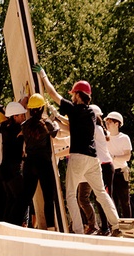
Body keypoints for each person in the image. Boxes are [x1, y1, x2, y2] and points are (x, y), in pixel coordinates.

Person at [33, 64, 121, 236]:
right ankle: (117, 224)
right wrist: (56, 115)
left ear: (78, 95)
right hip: (93, 160)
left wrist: (43, 75)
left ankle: (79, 231)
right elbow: (70, 128)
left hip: (79, 157)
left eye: (73, 94)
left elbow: (52, 92)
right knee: (101, 194)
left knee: (71, 195)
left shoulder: (74, 109)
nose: (71, 96)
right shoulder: (90, 114)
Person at [21, 93, 59, 231]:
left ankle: (19, 225)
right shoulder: (46, 123)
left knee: (25, 197)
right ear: (42, 108)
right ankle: (50, 228)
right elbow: (55, 132)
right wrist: (54, 119)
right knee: (48, 197)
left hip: (30, 163)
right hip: (44, 163)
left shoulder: (24, 125)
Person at [76, 104, 115, 235]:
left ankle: (108, 226)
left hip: (104, 166)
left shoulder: (95, 128)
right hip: (100, 165)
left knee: (103, 197)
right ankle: (105, 226)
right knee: (99, 197)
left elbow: (74, 130)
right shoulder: (98, 128)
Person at [1, 101, 27, 225]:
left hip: (5, 170)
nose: (24, 118)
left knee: (11, 199)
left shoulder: (6, 128)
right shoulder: (16, 128)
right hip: (12, 170)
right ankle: (14, 224)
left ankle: (5, 225)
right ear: (15, 116)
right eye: (22, 115)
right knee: (21, 198)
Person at [104, 111, 132, 218]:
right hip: (108, 172)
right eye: (106, 122)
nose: (107, 124)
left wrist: (114, 158)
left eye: (110, 122)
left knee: (125, 200)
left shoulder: (124, 138)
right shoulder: (105, 136)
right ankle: (114, 225)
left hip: (121, 172)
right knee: (111, 201)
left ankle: (128, 224)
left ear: (117, 124)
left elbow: (127, 156)